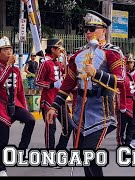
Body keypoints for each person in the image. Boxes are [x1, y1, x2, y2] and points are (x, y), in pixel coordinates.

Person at [46, 10, 125, 176]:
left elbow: (121, 80)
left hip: (101, 109)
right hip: (80, 109)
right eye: (86, 29)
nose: (88, 32)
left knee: (89, 152)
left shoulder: (112, 52)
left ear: (103, 30)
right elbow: (68, 83)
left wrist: (96, 74)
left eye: (92, 28)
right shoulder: (78, 54)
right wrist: (54, 106)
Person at [0, 36, 35, 176]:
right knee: (3, 139)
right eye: (5, 49)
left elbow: (19, 90)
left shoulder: (15, 69)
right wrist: (8, 65)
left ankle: (22, 150)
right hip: (1, 106)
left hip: (14, 104)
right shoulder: (7, 67)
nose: (9, 52)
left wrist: (24, 108)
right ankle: (1, 167)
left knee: (31, 120)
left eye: (10, 49)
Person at [35, 39, 73, 152]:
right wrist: (52, 84)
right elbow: (37, 82)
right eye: (59, 49)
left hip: (60, 99)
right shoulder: (45, 63)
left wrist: (66, 61)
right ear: (53, 49)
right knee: (51, 128)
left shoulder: (57, 63)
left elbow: (65, 75)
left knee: (69, 126)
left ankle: (60, 149)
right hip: (48, 100)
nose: (61, 51)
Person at [118, 54, 135, 146]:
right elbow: (120, 91)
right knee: (122, 125)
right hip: (124, 103)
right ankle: (120, 142)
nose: (132, 65)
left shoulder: (130, 75)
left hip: (132, 102)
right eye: (130, 63)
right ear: (125, 64)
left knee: (133, 123)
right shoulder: (122, 76)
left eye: (132, 63)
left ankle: (128, 142)